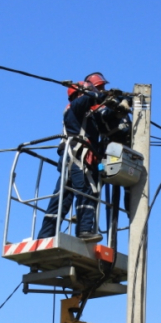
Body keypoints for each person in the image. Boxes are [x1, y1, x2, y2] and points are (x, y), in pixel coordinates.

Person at [36, 80, 104, 242]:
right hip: (77, 156)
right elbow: (92, 97)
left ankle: (46, 234)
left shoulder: (80, 111)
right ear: (79, 93)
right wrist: (104, 95)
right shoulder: (77, 105)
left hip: (70, 156)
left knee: (62, 196)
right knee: (84, 189)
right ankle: (84, 230)